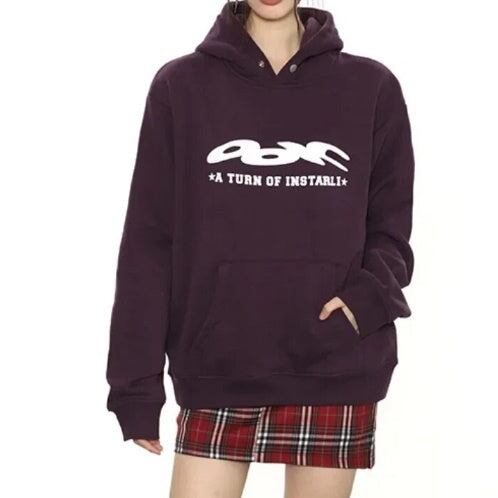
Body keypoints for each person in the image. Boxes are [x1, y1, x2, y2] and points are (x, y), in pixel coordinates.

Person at [105, 1, 415, 496]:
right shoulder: (181, 87)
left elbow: (391, 230)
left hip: (333, 364)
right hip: (217, 365)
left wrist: (363, 303)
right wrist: (134, 386)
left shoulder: (371, 88)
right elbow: (149, 242)